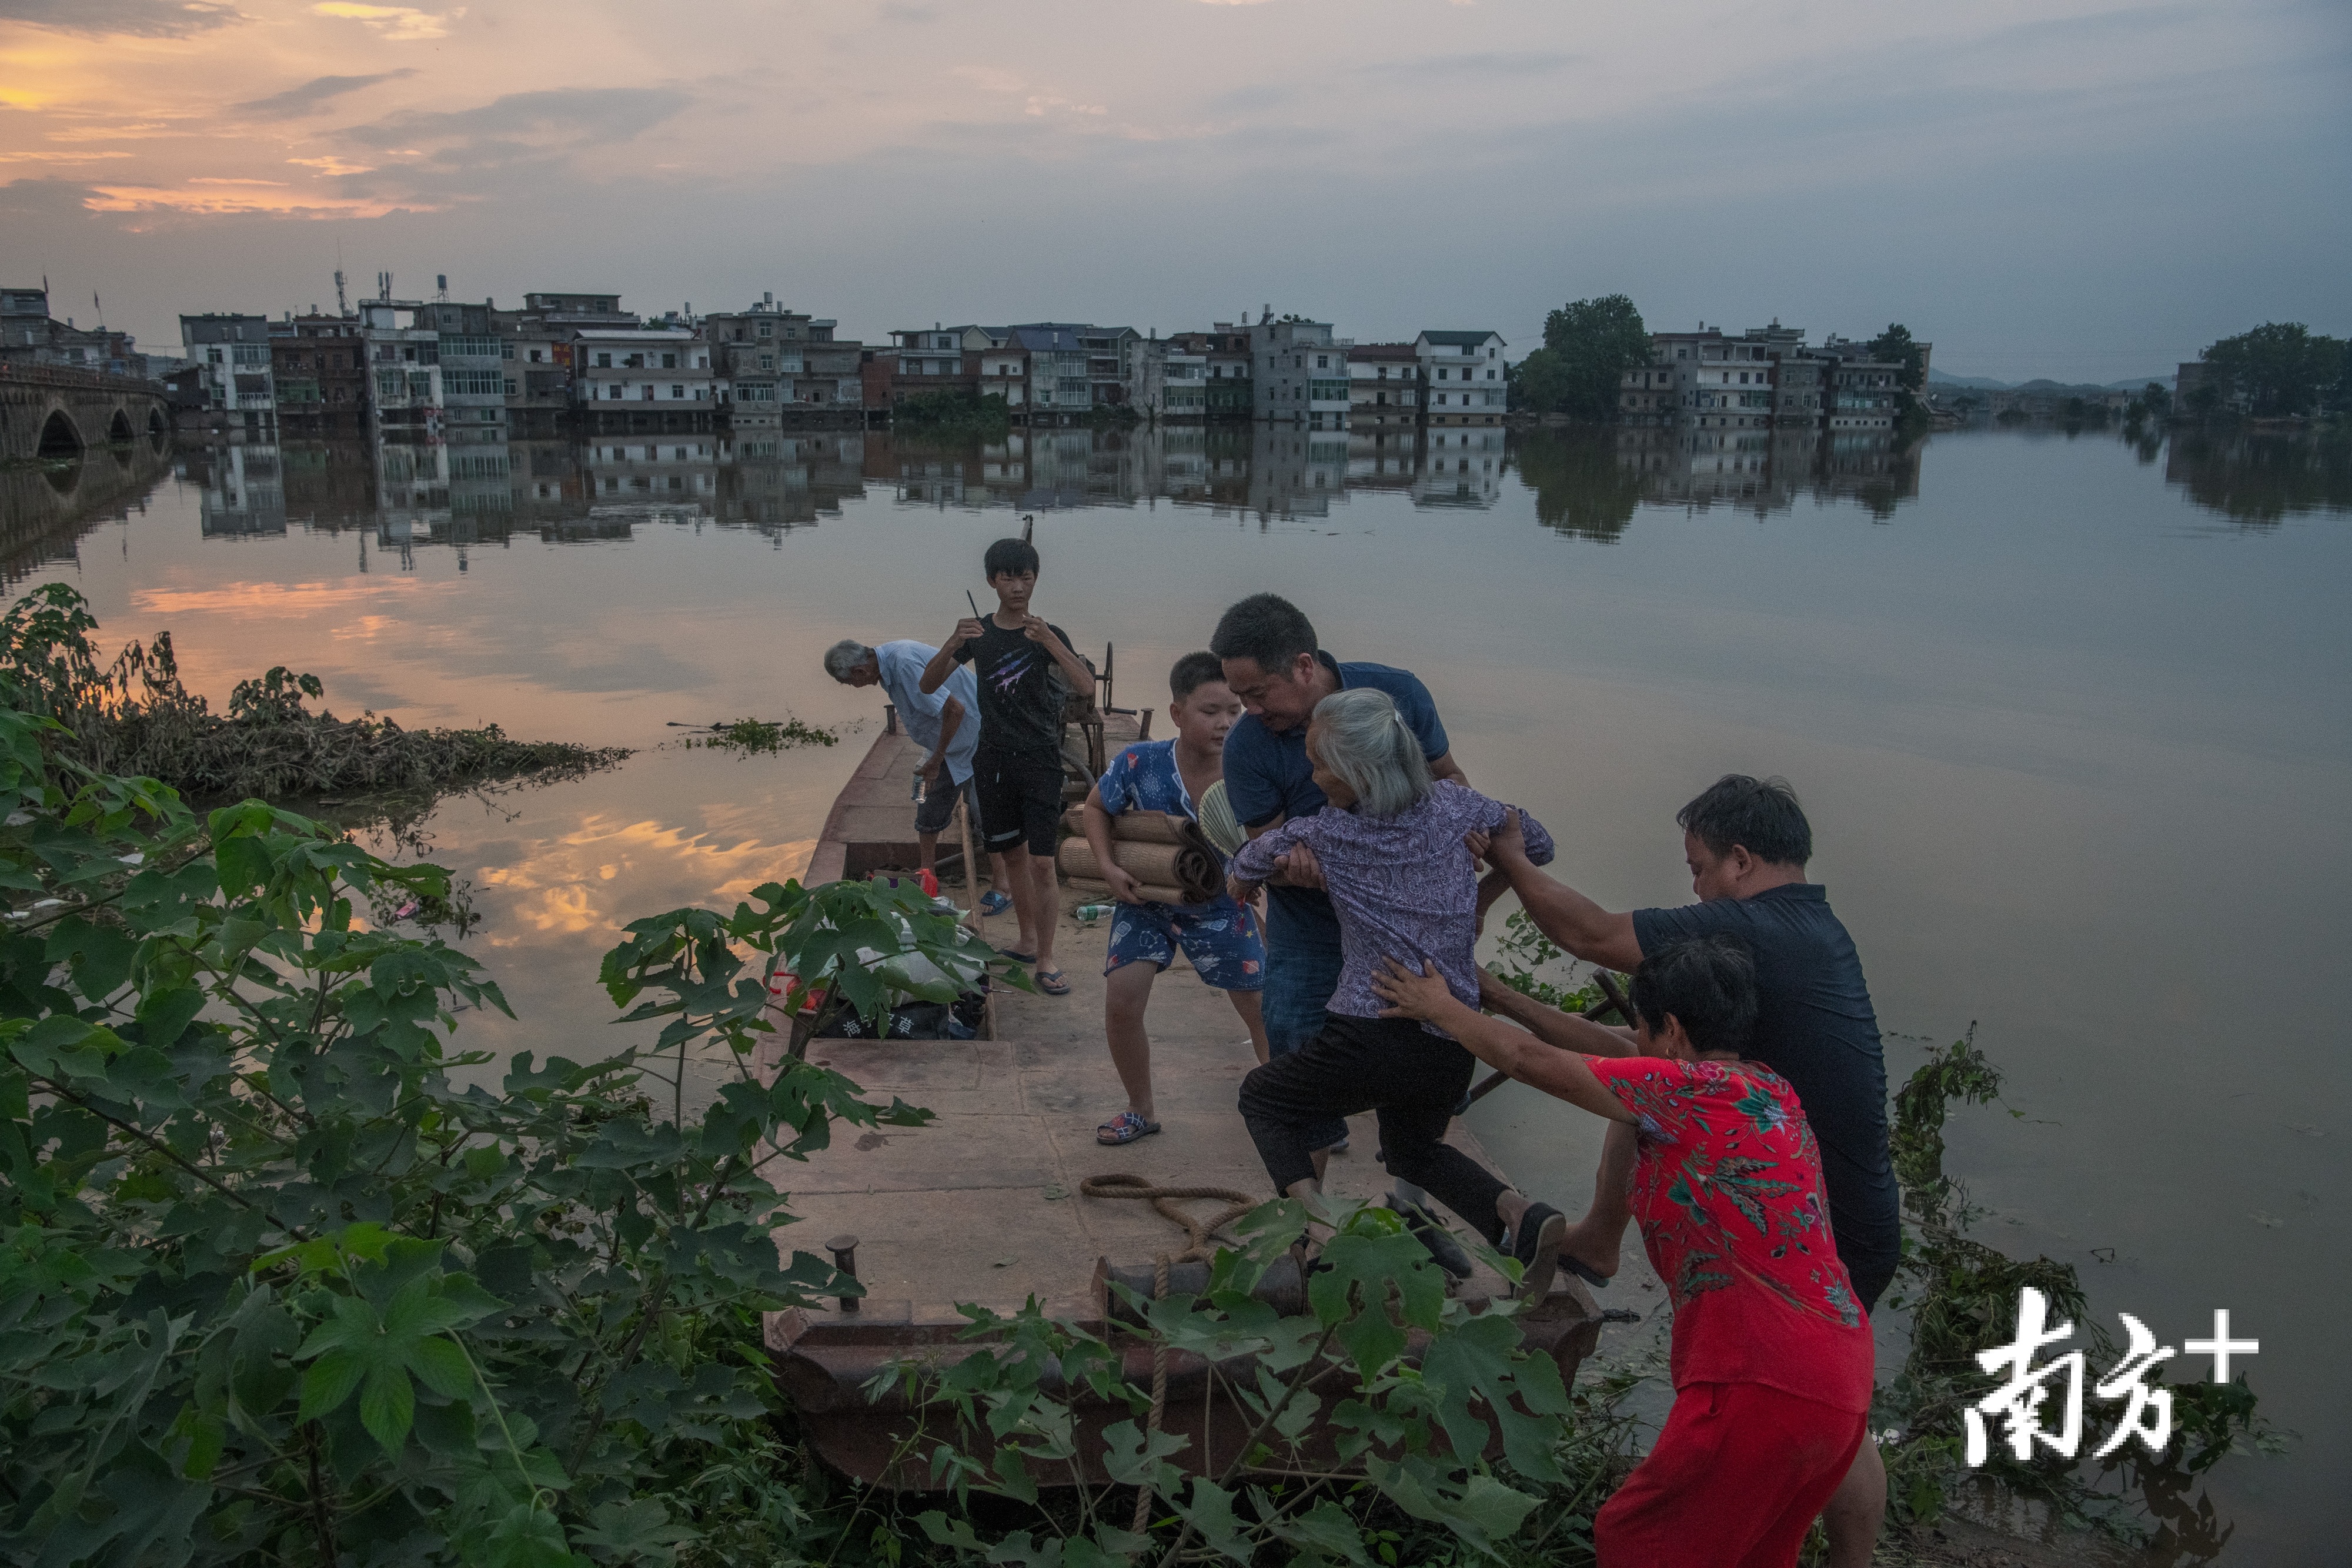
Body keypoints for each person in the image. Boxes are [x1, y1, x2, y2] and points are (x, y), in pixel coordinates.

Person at [1474, 774, 1897, 1566]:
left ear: (1741, 859)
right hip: (1836, 1202)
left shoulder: (1767, 928)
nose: (1695, 886)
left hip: (1824, 1221)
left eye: (1699, 865)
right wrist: (1496, 993)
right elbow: (1631, 1067)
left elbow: (1594, 934)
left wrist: (1508, 857)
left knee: (1816, 1413)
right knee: (1836, 1406)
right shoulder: (1806, 931)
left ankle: (1843, 1556)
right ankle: (1602, 1235)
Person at [1369, 935, 1875, 1568]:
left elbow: (1531, 1060)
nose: (1634, 1041)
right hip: (1840, 1375)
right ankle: (1595, 1241)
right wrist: (1496, 994)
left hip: (1760, 1379)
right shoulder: (1768, 1092)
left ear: (1667, 1028)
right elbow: (1602, 1052)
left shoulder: (1681, 1094)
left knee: (1638, 1540)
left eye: (1641, 1028)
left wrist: (1439, 1007)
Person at [1228, 688, 1569, 1292]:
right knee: (1415, 1154)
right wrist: (1489, 844)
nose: (1311, 774)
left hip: (1372, 1030)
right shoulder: (1460, 807)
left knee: (1265, 1098)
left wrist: (1259, 875)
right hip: (1453, 1039)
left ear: (1358, 774)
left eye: (1319, 763)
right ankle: (1520, 1215)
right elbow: (1536, 843)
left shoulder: (1328, 833)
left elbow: (1244, 864)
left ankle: (1320, 1227)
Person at [1211, 593, 1483, 1171]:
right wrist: (1296, 866)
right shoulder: (1248, 746)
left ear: (1304, 667)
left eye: (1257, 694)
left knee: (1425, 1072)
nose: (1251, 711)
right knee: (1293, 1048)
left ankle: (1414, 1206)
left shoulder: (1397, 696)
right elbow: (1268, 845)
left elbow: (1449, 779)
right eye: (1239, 699)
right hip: (1309, 932)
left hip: (1406, 932)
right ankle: (1312, 1232)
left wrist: (1463, 832)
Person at [1078, 651, 1271, 1145]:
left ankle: (1297, 1108)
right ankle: (1140, 1109)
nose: (1226, 723)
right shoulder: (1140, 762)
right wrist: (1108, 866)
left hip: (1226, 907)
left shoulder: (1250, 769)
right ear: (1177, 712)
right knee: (1122, 1000)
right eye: (1211, 712)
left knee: (1264, 1009)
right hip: (1147, 902)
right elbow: (1097, 807)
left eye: (1235, 710)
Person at [921, 536, 1096, 997]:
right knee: (1012, 854)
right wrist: (953, 641)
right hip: (993, 759)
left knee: (1042, 863)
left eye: (1026, 577)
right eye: (1008, 578)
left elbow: (1084, 686)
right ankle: (1025, 939)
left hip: (1040, 758)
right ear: (991, 581)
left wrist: (1053, 642)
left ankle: (1048, 957)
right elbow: (927, 683)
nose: (1018, 587)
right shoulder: (979, 634)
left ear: (1035, 579)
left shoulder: (1045, 633)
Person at [821, 637, 1012, 911]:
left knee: (986, 812)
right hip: (947, 744)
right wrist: (934, 756)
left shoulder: (904, 664)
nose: (855, 688)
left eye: (850, 683)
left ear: (859, 672)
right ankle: (927, 878)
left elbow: (955, 710)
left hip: (977, 735)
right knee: (929, 808)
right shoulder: (887, 667)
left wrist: (935, 760)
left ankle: (1002, 886)